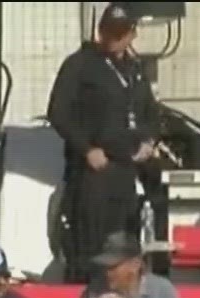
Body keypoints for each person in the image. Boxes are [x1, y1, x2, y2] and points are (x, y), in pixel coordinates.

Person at [46, 3, 162, 282]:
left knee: (124, 245)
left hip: (127, 171)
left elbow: (151, 112)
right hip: (94, 172)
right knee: (91, 249)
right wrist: (86, 149)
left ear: (132, 34)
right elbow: (58, 112)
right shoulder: (81, 64)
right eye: (109, 32)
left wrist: (149, 141)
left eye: (121, 33)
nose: (114, 38)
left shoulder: (134, 70)